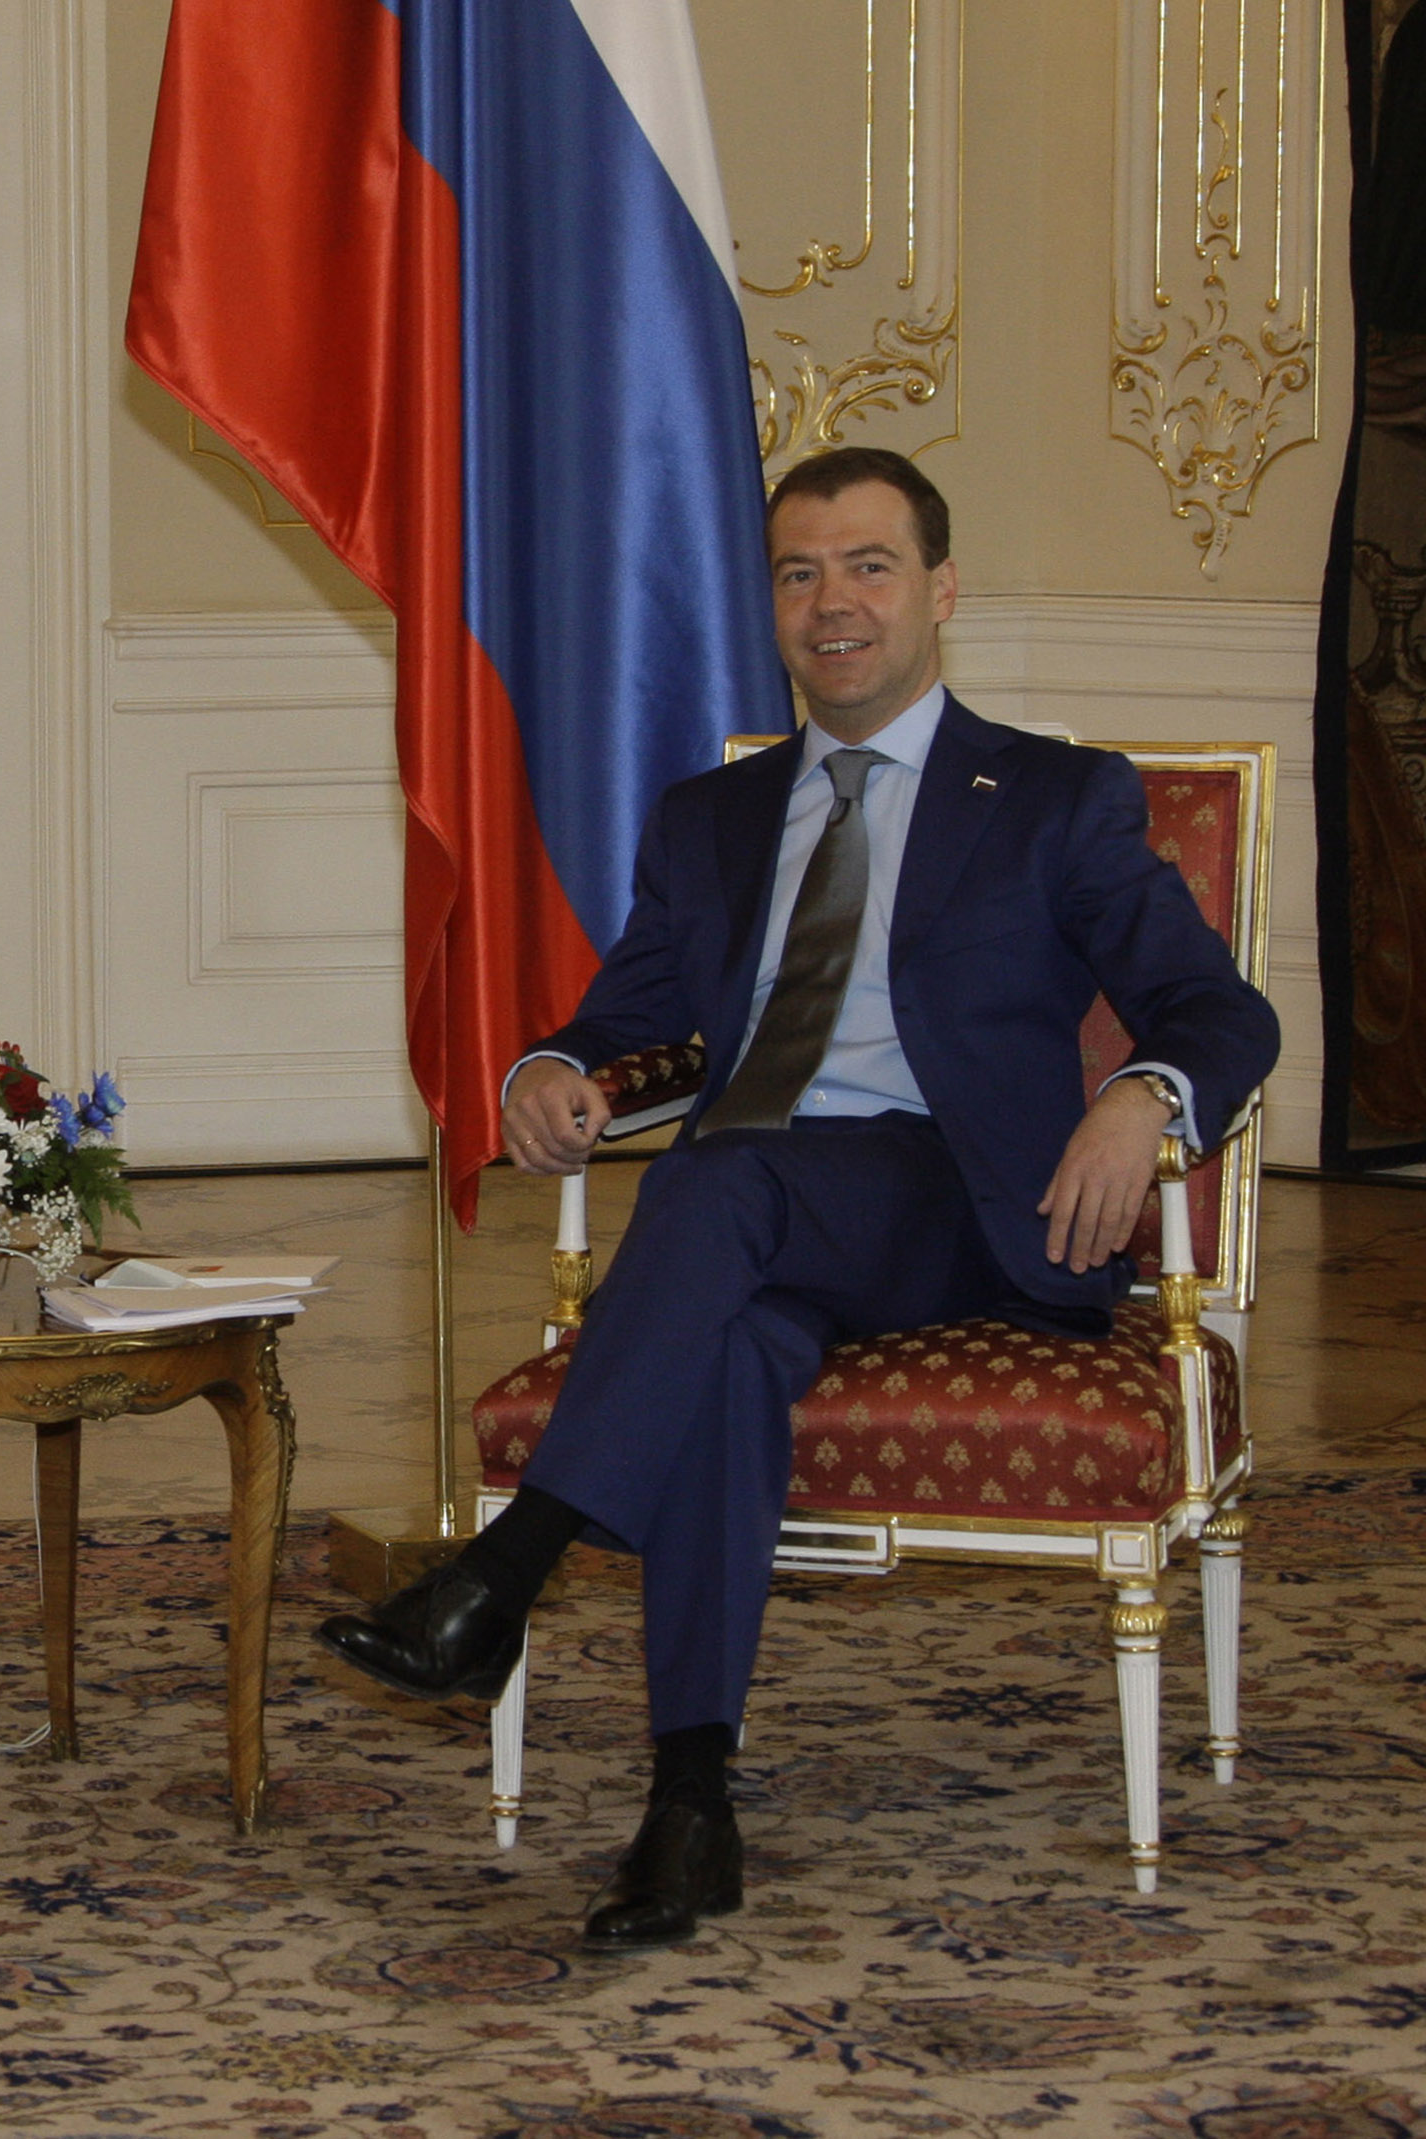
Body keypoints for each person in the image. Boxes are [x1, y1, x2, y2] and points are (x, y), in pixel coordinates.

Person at [316, 447, 1278, 1952]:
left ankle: (504, 1572)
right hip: (755, 1218)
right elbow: (619, 1017)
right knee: (737, 1341)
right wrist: (550, 1070)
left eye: (870, 565)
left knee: (726, 1182)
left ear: (940, 590)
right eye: (799, 573)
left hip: (953, 1208)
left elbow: (1219, 1014)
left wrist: (1139, 1093)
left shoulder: (1049, 797)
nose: (835, 603)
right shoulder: (710, 816)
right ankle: (689, 1806)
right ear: (771, 604)